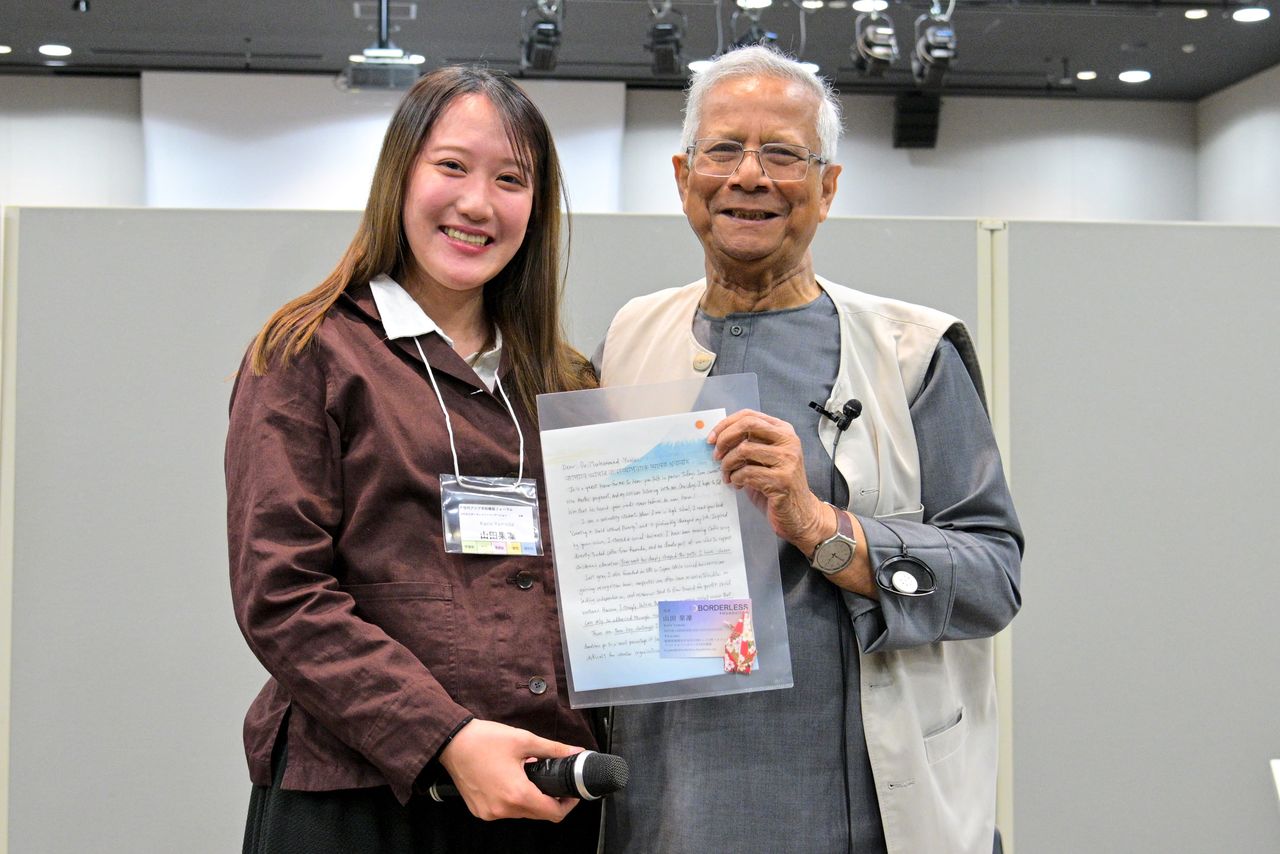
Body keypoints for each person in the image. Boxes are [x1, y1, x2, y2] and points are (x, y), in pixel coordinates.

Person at [596, 46, 1024, 854]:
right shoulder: (628, 339)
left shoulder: (911, 353)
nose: (749, 176)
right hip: (666, 798)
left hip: (853, 811)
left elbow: (992, 579)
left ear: (827, 188)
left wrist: (822, 526)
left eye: (784, 155)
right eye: (724, 149)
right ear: (684, 176)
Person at [225, 66, 601, 853]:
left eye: (510, 179)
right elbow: (282, 595)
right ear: (399, 175)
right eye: (452, 166)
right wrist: (446, 736)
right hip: (360, 798)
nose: (478, 203)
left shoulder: (566, 383)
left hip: (542, 791)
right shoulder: (309, 352)